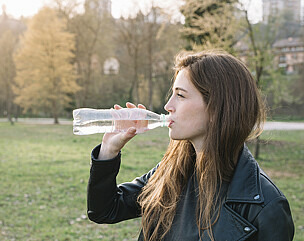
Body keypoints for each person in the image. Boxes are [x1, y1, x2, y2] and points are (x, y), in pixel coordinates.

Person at [86, 50, 295, 241]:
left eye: (180, 95)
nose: (168, 106)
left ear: (216, 108)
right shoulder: (172, 171)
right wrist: (109, 151)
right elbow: (105, 210)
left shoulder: (266, 206)